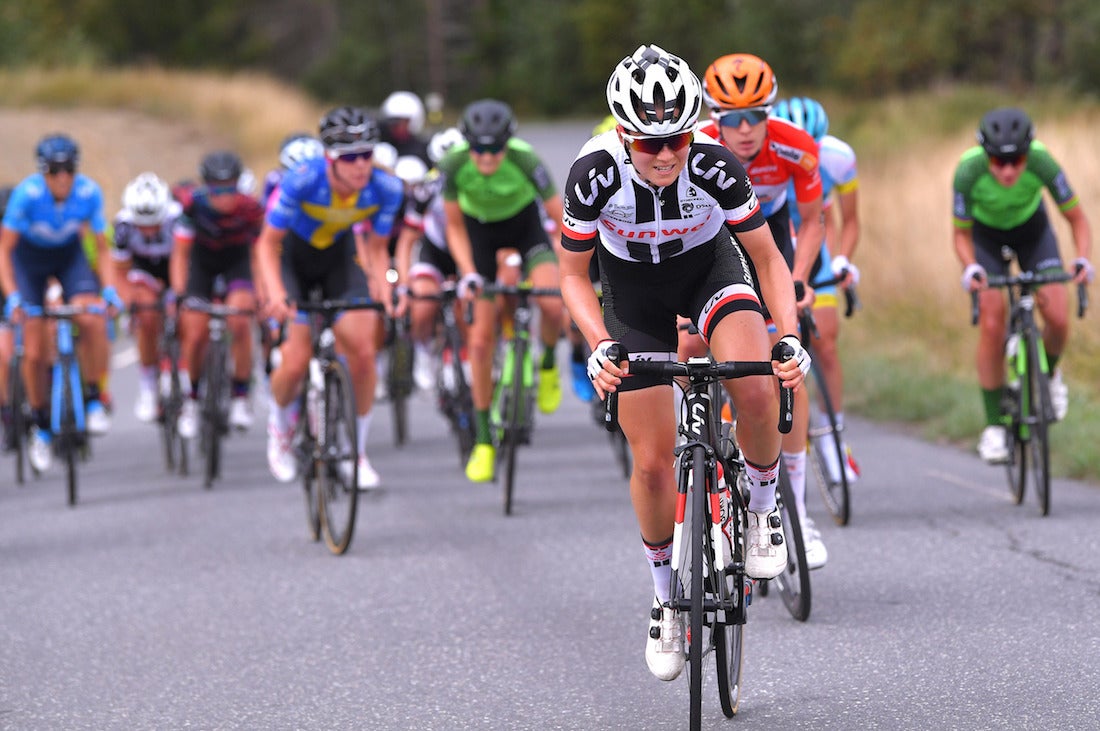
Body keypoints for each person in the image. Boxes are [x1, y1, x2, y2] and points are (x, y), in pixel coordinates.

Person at [560, 44, 809, 682]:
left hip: (709, 273)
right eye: (648, 143)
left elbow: (771, 260)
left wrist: (785, 337)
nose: (666, 154)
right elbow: (572, 273)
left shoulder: (718, 167)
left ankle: (758, 507)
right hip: (632, 297)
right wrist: (598, 344)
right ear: (623, 134)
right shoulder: (593, 174)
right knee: (649, 459)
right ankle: (665, 596)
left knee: (755, 390)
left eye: (675, 137)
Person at [698, 53, 828, 570]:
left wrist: (799, 279)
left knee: (785, 374)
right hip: (711, 243)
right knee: (689, 351)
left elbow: (813, 221)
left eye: (756, 116)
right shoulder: (696, 148)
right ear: (716, 119)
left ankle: (794, 506)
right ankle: (706, 474)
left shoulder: (797, 148)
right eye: (732, 119)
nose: (746, 130)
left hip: (769, 240)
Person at [256, 106, 403, 490]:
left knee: (365, 352)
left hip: (339, 261)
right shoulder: (302, 181)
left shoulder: (386, 188)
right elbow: (266, 245)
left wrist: (384, 286)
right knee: (294, 360)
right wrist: (274, 294)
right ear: (329, 158)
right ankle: (280, 424)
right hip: (291, 261)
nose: (360, 166)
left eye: (367, 155)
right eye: (349, 158)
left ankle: (355, 451)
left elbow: (377, 246)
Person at [954, 107, 1093, 463]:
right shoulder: (968, 171)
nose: (1009, 170)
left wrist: (1082, 258)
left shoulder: (1043, 162)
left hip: (1034, 234)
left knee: (1059, 318)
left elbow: (1077, 218)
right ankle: (995, 426)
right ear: (985, 155)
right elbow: (960, 234)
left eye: (1016, 160)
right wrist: (970, 268)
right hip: (986, 240)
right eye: (999, 162)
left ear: (1028, 154)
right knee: (992, 319)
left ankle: (1047, 374)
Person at [439, 98, 565, 483]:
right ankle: (483, 440)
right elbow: (454, 227)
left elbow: (561, 219)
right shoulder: (453, 164)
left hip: (526, 229)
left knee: (552, 302)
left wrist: (567, 264)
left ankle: (546, 367)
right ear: (468, 145)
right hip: (478, 235)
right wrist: (467, 272)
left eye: (495, 149)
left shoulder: (526, 160)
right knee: (479, 342)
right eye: (479, 148)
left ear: (507, 145)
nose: (487, 157)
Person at [0, 134, 121, 472]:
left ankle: (95, 397)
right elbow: (4, 251)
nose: (63, 177)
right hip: (29, 263)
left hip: (69, 258)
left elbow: (103, 247)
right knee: (36, 351)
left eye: (69, 169)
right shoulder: (27, 195)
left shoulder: (88, 192)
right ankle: (40, 421)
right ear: (43, 172)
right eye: (55, 170)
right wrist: (12, 297)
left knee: (93, 317)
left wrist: (109, 290)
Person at [770, 96, 862, 484]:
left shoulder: (838, 157)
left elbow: (851, 219)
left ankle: (834, 437)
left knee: (825, 344)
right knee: (770, 349)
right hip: (770, 242)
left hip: (813, 243)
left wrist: (842, 259)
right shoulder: (764, 152)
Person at [171, 151, 264, 439]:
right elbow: (180, 255)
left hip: (237, 263)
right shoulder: (192, 207)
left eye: (231, 189)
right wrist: (180, 294)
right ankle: (192, 396)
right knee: (195, 332)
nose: (224, 197)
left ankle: (239, 395)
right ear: (206, 187)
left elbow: (261, 254)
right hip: (202, 265)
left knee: (239, 320)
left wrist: (261, 293)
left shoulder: (251, 209)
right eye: (217, 190)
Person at [392, 128, 465, 391]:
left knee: (469, 308)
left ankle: (469, 355)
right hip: (435, 253)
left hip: (468, 253)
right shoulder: (427, 189)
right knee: (422, 302)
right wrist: (403, 284)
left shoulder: (481, 184)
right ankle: (424, 351)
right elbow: (407, 240)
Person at [112, 172, 182, 422]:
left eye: (155, 222)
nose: (149, 229)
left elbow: (188, 261)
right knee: (146, 313)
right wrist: (128, 300)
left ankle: (186, 374)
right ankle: (148, 385)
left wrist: (178, 296)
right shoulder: (122, 226)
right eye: (143, 224)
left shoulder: (178, 218)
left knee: (185, 314)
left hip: (177, 265)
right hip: (143, 270)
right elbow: (120, 272)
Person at [379, 91, 432, 165]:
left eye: (400, 122)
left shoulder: (424, 151)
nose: (395, 127)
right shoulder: (381, 147)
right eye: (392, 122)